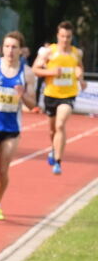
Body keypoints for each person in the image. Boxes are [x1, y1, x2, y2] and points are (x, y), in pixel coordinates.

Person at [0, 31, 39, 219]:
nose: (10, 51)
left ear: (21, 50)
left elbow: (33, 105)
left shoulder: (27, 74)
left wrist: (22, 94)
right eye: (7, 46)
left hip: (11, 129)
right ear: (2, 48)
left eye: (14, 47)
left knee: (2, 170)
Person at [33, 20, 86, 175]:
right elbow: (35, 69)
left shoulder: (77, 53)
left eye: (68, 37)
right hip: (51, 95)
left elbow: (79, 67)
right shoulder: (48, 52)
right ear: (58, 36)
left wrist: (80, 77)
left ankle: (57, 162)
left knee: (60, 125)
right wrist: (51, 72)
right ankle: (54, 148)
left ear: (72, 37)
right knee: (52, 131)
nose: (65, 40)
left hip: (68, 95)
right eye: (62, 36)